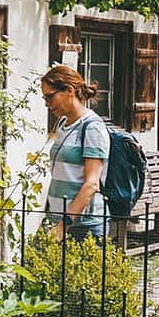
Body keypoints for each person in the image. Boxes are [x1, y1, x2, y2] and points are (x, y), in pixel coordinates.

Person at [40, 63, 109, 240]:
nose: (47, 104)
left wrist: (64, 224)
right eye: (44, 98)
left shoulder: (92, 127)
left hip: (82, 224)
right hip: (55, 217)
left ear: (69, 90)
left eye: (50, 97)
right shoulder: (63, 123)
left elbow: (92, 184)